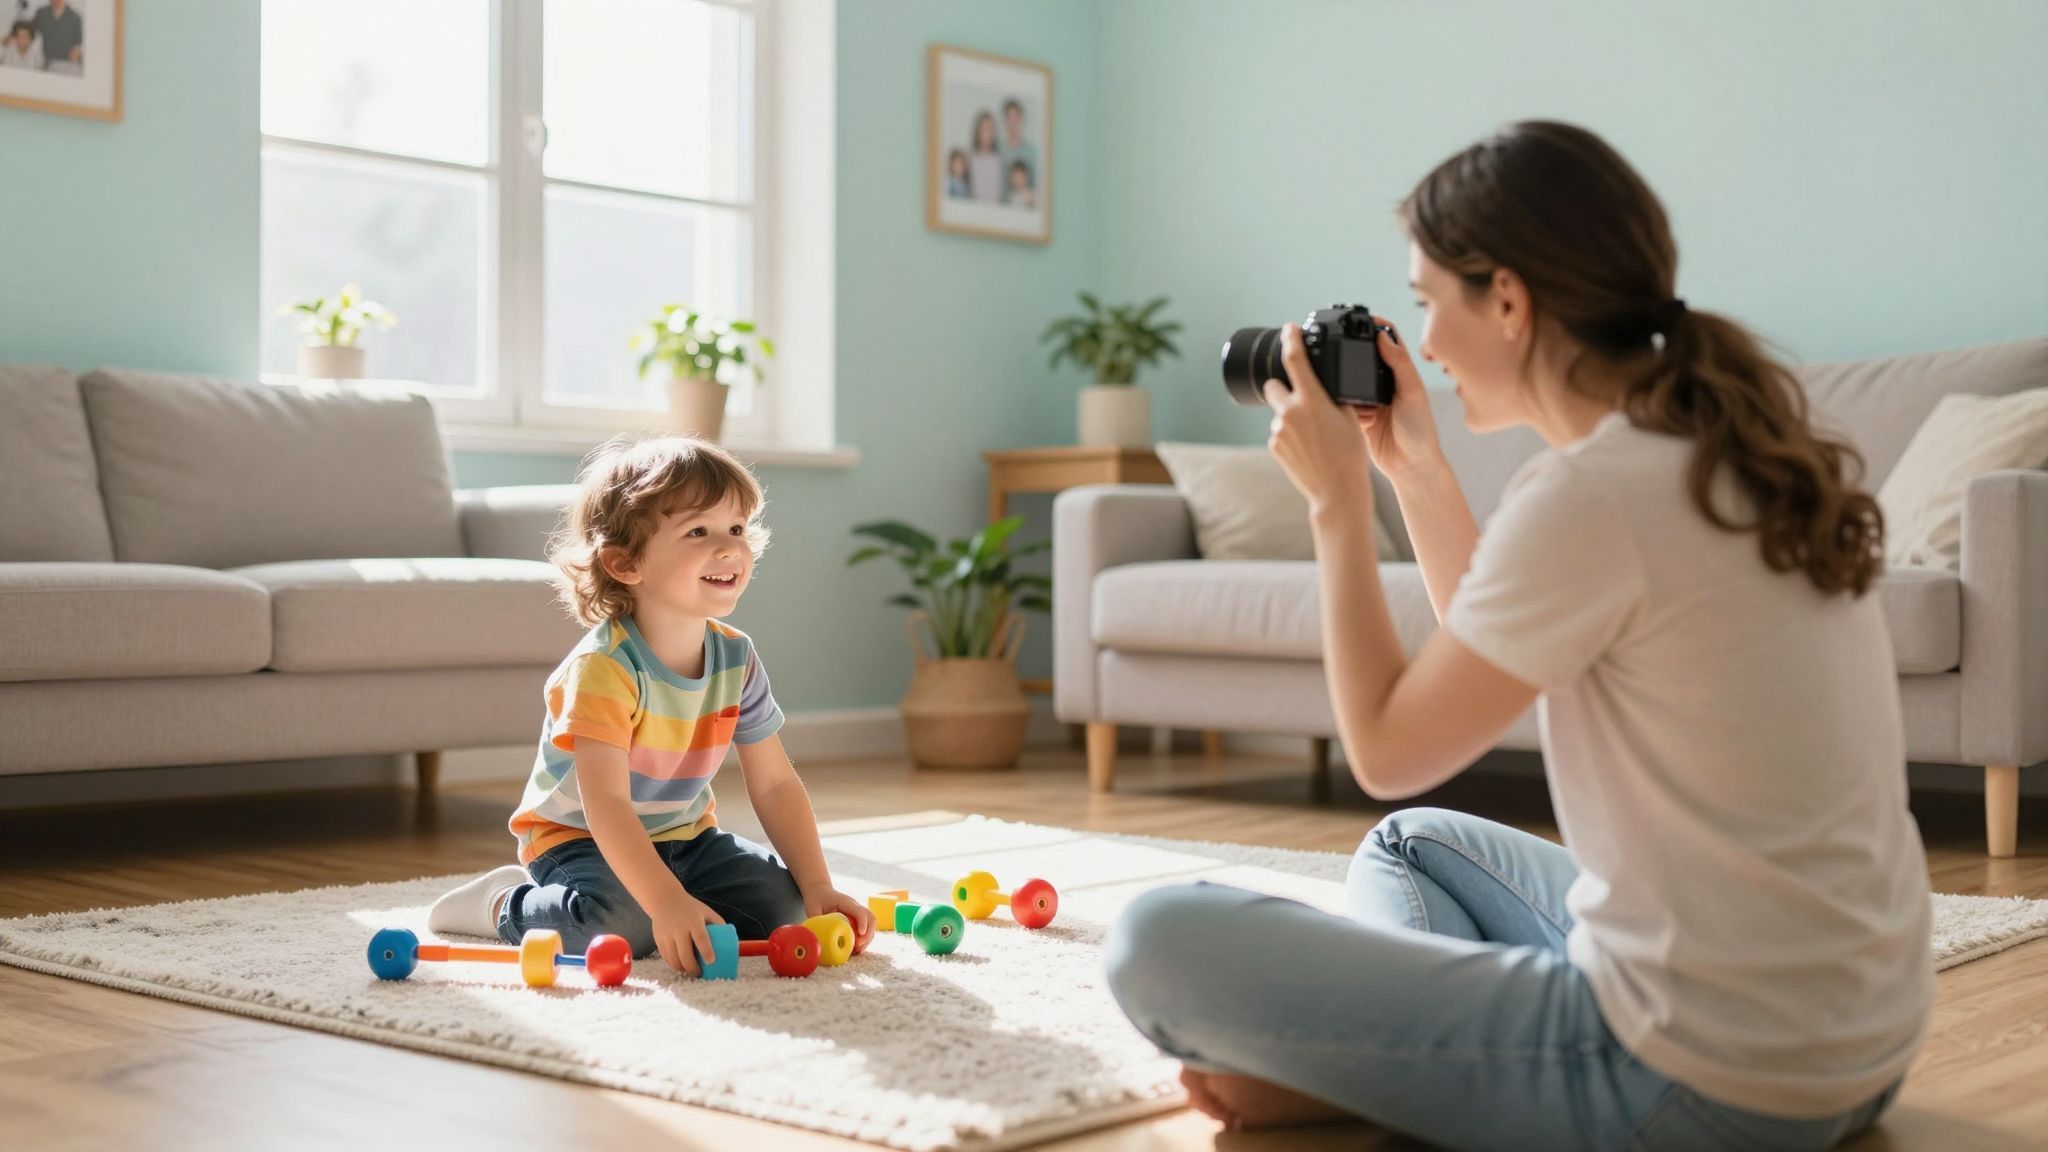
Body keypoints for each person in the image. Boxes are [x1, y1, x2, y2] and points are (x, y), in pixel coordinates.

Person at [1105, 120, 1931, 1150]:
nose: (1428, 347)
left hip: (1697, 1085)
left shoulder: (1592, 495)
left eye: (1426, 305)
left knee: (1152, 939)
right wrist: (1411, 468)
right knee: (1417, 849)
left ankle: (1380, 1072)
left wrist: (1334, 506)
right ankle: (1409, 1065)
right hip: (1854, 1050)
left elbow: (1387, 749)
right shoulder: (1721, 451)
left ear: (1506, 299)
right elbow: (1478, 662)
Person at [428, 436, 876, 976]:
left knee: (785, 910)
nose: (729, 547)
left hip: (686, 836)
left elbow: (775, 782)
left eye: (736, 529)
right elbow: (608, 806)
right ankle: (503, 902)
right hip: (579, 840)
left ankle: (672, 892)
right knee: (620, 925)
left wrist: (817, 885)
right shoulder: (605, 669)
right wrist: (664, 903)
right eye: (698, 532)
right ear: (626, 563)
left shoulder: (736, 657)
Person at [999, 97, 1038, 186]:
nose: (1013, 124)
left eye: (1016, 119)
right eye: (1009, 119)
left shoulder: (1032, 152)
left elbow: (1036, 184)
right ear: (1004, 121)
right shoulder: (998, 147)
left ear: (1022, 120)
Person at [30, 0, 79, 69]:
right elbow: (28, 30)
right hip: (46, 61)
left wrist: (76, 50)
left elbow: (78, 42)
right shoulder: (41, 13)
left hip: (66, 63)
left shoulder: (75, 17)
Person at [967, 110, 1002, 203]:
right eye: (984, 129)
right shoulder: (970, 158)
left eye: (990, 129)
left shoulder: (1000, 160)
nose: (987, 134)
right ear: (977, 131)